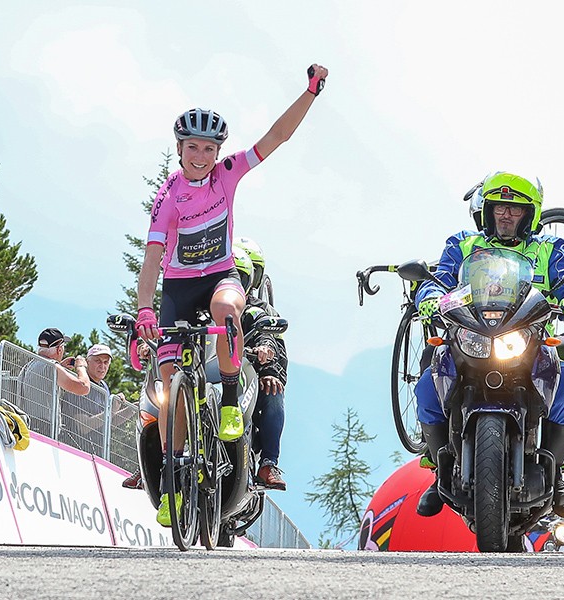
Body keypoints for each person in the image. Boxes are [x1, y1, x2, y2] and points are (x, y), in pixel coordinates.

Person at [134, 64, 328, 526]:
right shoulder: (168, 195)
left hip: (220, 276)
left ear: (218, 151)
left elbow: (276, 137)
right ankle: (170, 480)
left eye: (208, 148)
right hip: (179, 288)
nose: (200, 155)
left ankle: (227, 401)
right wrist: (144, 308)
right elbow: (151, 259)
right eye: (192, 147)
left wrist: (310, 93)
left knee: (226, 309)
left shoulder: (227, 174)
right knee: (166, 385)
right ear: (179, 149)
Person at [413, 172, 564, 520]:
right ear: (487, 210)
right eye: (499, 206)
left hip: (531, 344)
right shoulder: (463, 244)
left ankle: (556, 474)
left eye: (515, 208)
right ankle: (438, 471)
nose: (506, 214)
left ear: (530, 215)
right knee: (427, 384)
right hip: (470, 338)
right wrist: (430, 296)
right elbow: (438, 279)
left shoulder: (549, 249)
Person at [234, 244, 288, 490]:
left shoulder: (259, 309)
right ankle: (158, 462)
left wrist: (268, 370)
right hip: (209, 372)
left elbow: (272, 341)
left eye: (240, 276)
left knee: (274, 392)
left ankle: (268, 463)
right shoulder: (204, 306)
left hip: (249, 376)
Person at [18, 327, 90, 436]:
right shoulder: (52, 367)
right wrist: (81, 367)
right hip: (45, 429)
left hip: (27, 426)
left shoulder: (29, 366)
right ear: (59, 349)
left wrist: (60, 367)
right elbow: (83, 387)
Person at [61, 344, 127, 456]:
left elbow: (108, 423)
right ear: (87, 362)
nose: (102, 366)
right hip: (75, 453)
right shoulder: (80, 384)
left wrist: (134, 409)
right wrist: (111, 411)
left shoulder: (103, 387)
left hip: (97, 454)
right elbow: (83, 427)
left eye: (106, 362)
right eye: (98, 361)